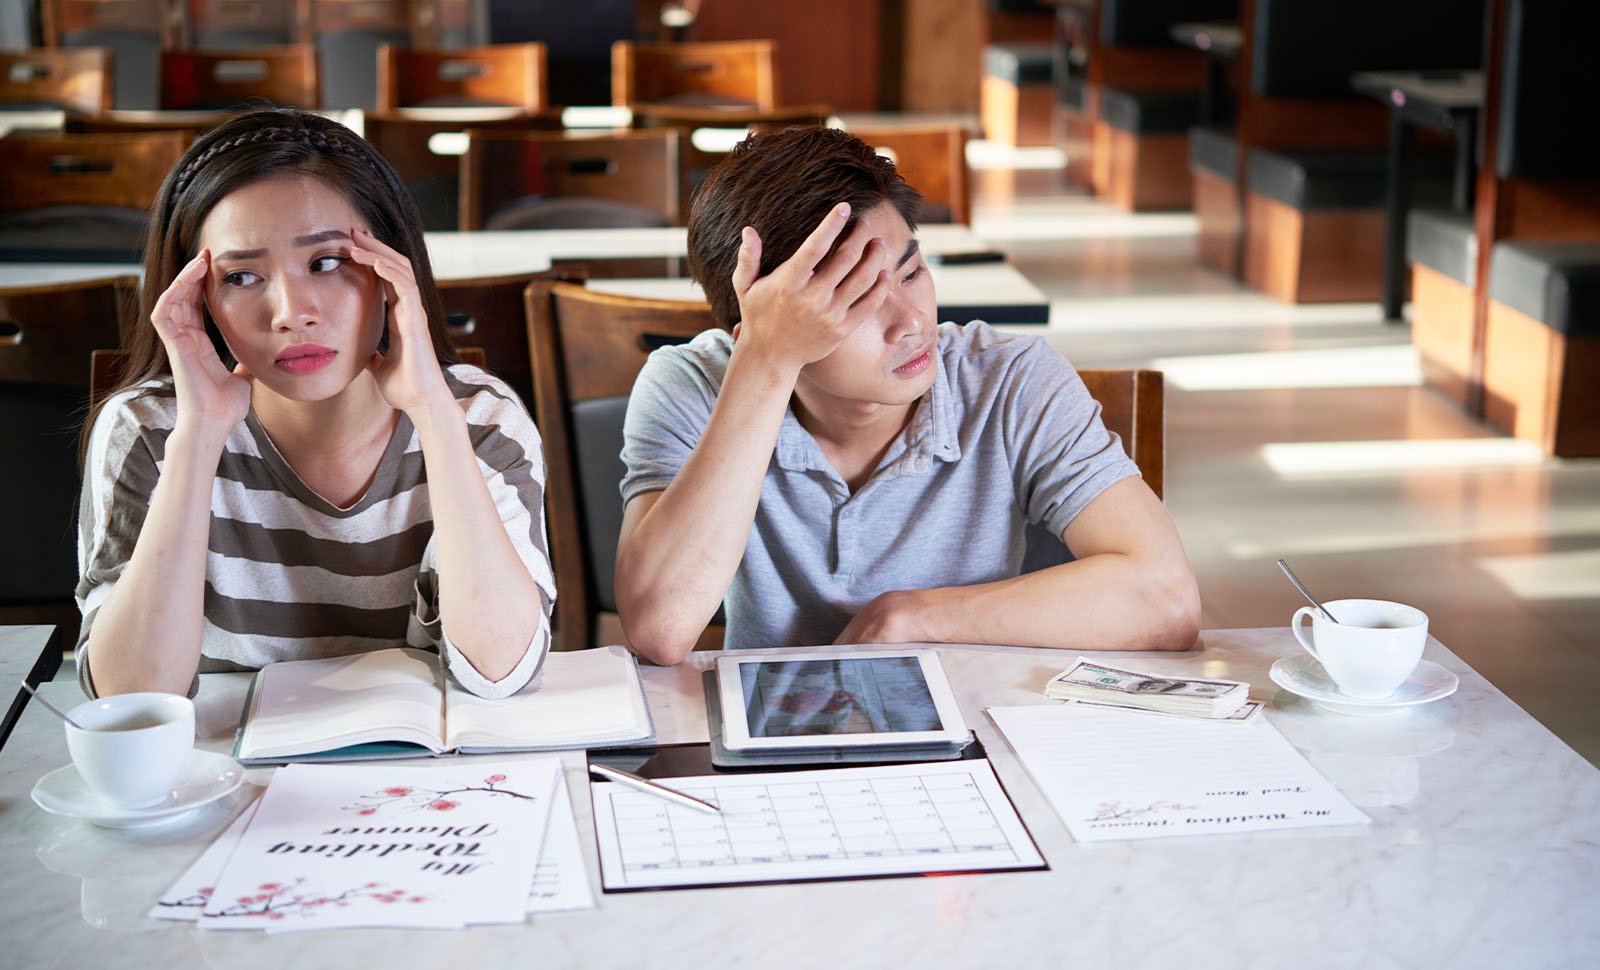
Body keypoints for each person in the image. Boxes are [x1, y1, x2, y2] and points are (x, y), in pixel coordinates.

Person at [614, 126, 1199, 665]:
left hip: (974, 724)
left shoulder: (1012, 379)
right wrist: (765, 364)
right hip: (774, 736)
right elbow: (660, 630)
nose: (910, 323)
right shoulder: (691, 384)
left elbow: (1166, 601)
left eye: (913, 274)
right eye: (859, 299)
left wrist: (907, 617)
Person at [76, 108, 554, 699]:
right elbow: (129, 697)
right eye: (241, 277)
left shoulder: (478, 419)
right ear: (197, 298)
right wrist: (200, 436)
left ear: (390, 270)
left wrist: (433, 412)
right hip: (223, 779)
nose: (290, 313)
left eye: (326, 263)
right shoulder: (153, 430)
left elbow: (502, 668)